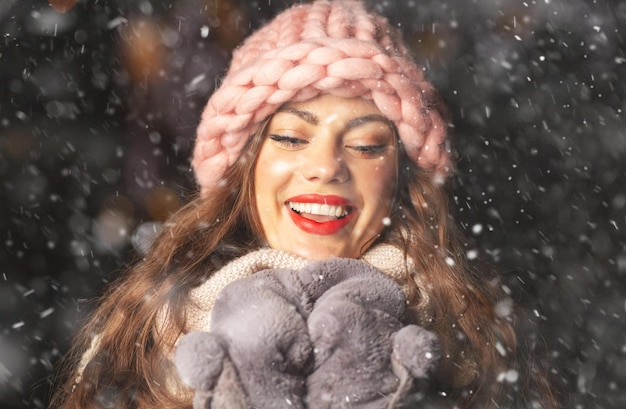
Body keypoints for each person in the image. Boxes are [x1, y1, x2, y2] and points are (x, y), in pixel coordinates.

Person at [51, 1, 558, 408]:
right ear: (244, 169)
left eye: (365, 145)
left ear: (402, 181)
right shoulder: (140, 347)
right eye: (292, 137)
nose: (325, 167)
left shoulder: (471, 348)